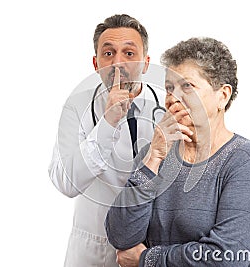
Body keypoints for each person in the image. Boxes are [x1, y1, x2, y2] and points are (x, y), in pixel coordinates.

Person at [105, 37, 250, 266]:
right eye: (169, 88)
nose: (174, 98)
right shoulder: (154, 152)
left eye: (187, 86)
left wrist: (147, 259)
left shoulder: (246, 160)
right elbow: (121, 237)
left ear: (222, 96)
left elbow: (227, 257)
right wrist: (153, 159)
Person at [48, 14, 165, 266]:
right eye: (108, 53)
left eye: (129, 53)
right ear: (95, 62)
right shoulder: (76, 108)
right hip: (95, 250)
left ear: (146, 63)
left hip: (152, 248)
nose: (118, 63)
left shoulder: (167, 106)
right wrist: (108, 123)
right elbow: (66, 183)